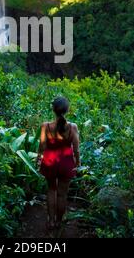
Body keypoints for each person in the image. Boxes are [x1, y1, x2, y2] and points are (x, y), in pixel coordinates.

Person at [37, 97, 80, 230]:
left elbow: (42, 145)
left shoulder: (46, 126)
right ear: (67, 110)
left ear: (53, 109)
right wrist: (78, 162)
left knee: (51, 190)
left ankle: (50, 221)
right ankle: (58, 222)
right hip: (66, 163)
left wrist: (38, 158)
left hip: (50, 161)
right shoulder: (73, 127)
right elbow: (76, 149)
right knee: (62, 194)